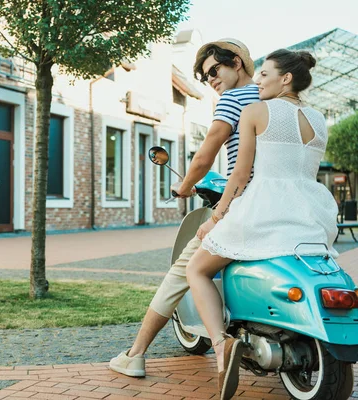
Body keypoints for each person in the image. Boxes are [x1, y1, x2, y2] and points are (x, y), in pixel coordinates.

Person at [187, 49, 338, 400]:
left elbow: (240, 176)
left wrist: (216, 217)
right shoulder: (318, 118)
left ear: (285, 78)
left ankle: (222, 344)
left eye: (264, 75)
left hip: (264, 207)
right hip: (311, 211)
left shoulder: (254, 111)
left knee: (197, 269)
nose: (257, 81)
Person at [109, 38, 260, 377]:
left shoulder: (233, 100)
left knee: (181, 272)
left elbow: (207, 152)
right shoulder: (273, 99)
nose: (211, 81)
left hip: (242, 204)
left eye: (214, 70)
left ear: (237, 62)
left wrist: (185, 184)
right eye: (206, 77)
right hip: (281, 203)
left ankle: (135, 354)